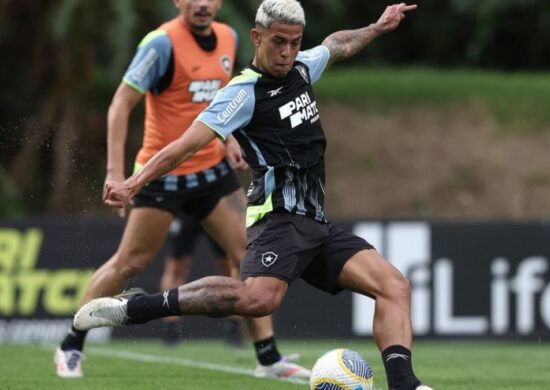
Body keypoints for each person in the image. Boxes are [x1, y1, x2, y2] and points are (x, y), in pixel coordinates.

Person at [75, 1, 433, 389]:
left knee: (394, 286)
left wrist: (377, 27)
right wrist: (133, 182)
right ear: (257, 37)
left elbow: (338, 44)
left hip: (315, 224)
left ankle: (405, 385)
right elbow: (183, 146)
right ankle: (137, 307)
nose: (287, 51)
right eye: (279, 41)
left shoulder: (302, 66)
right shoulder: (242, 93)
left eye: (295, 42)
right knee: (257, 300)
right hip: (277, 220)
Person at [54, 0, 309, 380]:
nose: (203, 4)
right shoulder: (161, 44)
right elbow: (120, 105)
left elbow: (226, 99)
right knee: (130, 263)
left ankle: (268, 359)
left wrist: (229, 140)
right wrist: (115, 173)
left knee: (250, 256)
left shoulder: (228, 36)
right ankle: (71, 343)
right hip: (162, 178)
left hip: (210, 174)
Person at [159, 213, 243, 347]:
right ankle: (171, 328)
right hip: (186, 206)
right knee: (175, 268)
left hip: (214, 205)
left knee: (229, 267)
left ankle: (234, 329)